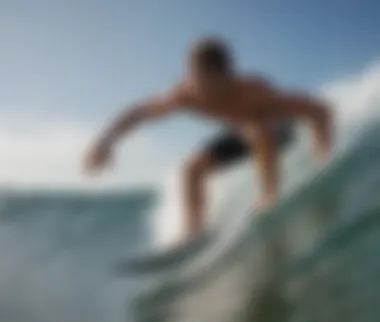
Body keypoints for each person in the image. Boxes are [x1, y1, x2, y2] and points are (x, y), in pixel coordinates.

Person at [84, 37, 333, 239]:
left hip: (280, 131)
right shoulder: (184, 94)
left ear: (225, 76)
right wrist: (105, 143)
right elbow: (139, 113)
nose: (196, 87)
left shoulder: (253, 91)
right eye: (192, 77)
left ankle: (268, 198)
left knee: (257, 127)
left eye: (203, 81)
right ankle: (193, 232)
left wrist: (323, 159)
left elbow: (318, 111)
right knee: (191, 169)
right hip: (241, 131)